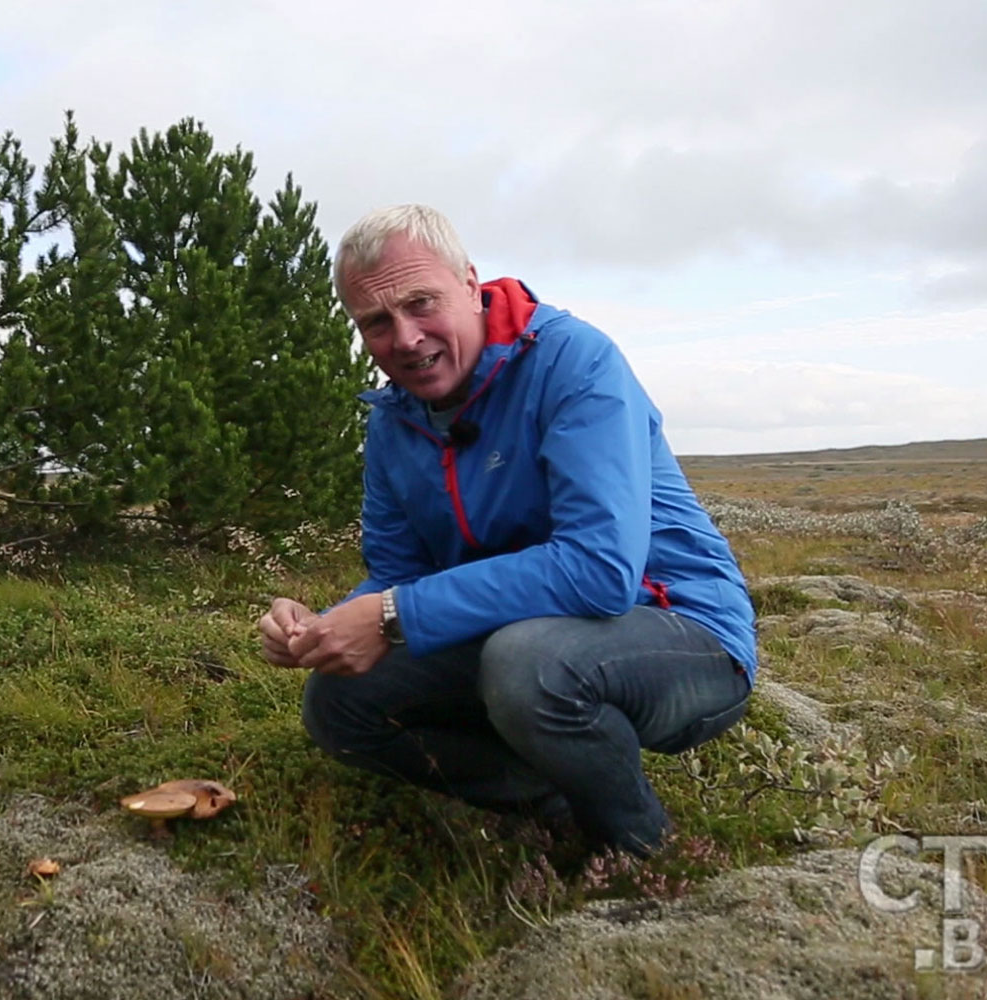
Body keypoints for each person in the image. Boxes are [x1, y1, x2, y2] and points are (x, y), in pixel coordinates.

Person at [257, 204, 756, 858]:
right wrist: (324, 626)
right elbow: (399, 571)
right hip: (523, 636)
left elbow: (600, 573)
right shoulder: (392, 422)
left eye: (421, 303)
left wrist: (388, 614)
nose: (405, 338)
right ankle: (553, 805)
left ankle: (641, 851)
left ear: (469, 284)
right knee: (339, 704)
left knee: (526, 665)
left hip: (683, 632)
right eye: (376, 322)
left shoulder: (574, 362)